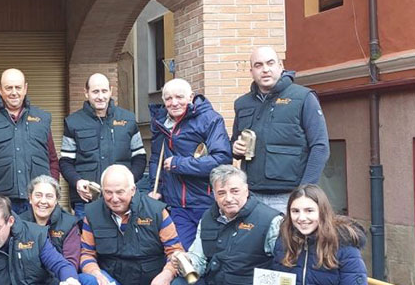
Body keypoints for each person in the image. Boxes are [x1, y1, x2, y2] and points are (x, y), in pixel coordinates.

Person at [80, 165, 185, 285]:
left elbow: (176, 251)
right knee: (86, 282)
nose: (114, 198)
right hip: (113, 282)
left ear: (133, 190)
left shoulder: (156, 211)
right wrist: (94, 273)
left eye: (120, 192)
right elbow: (86, 254)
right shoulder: (92, 213)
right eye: (108, 193)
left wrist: (166, 275)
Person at [231, 46, 330, 213]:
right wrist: (235, 148)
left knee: (287, 240)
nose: (265, 70)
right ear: (251, 71)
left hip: (288, 197)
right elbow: (234, 142)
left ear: (281, 66)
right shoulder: (242, 104)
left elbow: (320, 147)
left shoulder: (303, 98)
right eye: (258, 65)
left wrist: (304, 192)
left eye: (270, 63)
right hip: (251, 197)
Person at [148, 78, 232, 249]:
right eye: (168, 99)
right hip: (176, 205)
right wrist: (154, 189)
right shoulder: (160, 122)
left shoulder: (210, 119)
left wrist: (178, 164)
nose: (174, 103)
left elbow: (222, 159)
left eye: (179, 97)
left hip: (206, 202)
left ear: (191, 97)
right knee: (180, 257)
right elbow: (156, 159)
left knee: (210, 254)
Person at [0, 68, 59, 215]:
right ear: (0, 89)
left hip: (37, 203)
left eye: (18, 87)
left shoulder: (42, 119)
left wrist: (51, 191)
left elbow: (53, 160)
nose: (14, 92)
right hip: (0, 202)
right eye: (9, 88)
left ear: (25, 88)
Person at [60, 73, 145, 218]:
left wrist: (129, 180)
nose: (100, 96)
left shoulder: (128, 120)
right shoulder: (73, 122)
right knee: (87, 240)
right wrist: (77, 182)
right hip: (86, 200)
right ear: (86, 93)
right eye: (95, 91)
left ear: (110, 91)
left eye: (104, 91)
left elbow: (140, 157)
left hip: (122, 199)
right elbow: (66, 161)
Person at [21, 175, 80, 268]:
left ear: (56, 200)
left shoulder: (69, 224)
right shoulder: (19, 223)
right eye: (38, 195)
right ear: (30, 198)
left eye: (49, 196)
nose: (43, 201)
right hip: (28, 279)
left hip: (60, 277)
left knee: (88, 280)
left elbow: (71, 262)